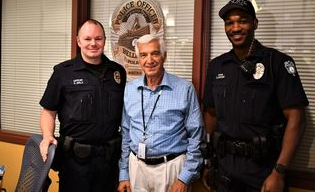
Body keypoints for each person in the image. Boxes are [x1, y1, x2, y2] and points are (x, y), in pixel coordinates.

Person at [202, 0, 309, 192]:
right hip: (224, 174)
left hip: (263, 177)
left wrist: (279, 172)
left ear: (255, 24)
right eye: (229, 23)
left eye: (242, 20)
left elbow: (297, 119)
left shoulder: (277, 63)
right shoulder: (216, 66)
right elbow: (210, 113)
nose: (235, 28)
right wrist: (208, 161)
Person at [39, 19, 126, 192]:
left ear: (104, 41)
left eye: (98, 38)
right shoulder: (63, 72)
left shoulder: (117, 72)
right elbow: (49, 110)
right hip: (75, 164)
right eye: (87, 39)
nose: (93, 43)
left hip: (109, 163)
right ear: (78, 41)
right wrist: (47, 135)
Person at [117, 34, 204, 192]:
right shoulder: (130, 89)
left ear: (164, 56)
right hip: (136, 167)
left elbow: (196, 136)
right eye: (143, 55)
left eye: (155, 53)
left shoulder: (184, 89)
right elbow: (126, 133)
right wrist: (124, 173)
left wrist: (184, 177)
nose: (149, 60)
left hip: (171, 168)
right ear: (138, 59)